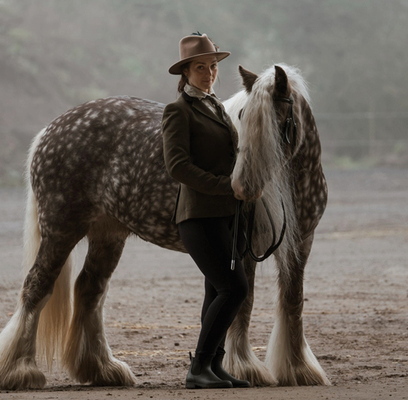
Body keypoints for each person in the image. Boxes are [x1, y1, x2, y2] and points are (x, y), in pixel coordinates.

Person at [161, 33, 257, 389]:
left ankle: (212, 367)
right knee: (235, 289)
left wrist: (246, 185)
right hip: (198, 216)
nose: (209, 73)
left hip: (226, 214)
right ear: (185, 72)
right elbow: (178, 167)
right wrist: (226, 186)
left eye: (213, 66)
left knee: (217, 291)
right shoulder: (178, 111)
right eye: (201, 67)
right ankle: (197, 368)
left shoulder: (214, 105)